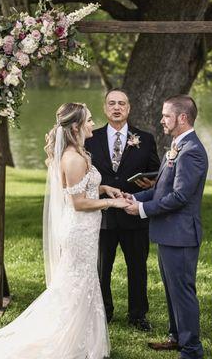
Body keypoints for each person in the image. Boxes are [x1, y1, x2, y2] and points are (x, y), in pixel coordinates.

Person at [0, 102, 128, 359]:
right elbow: (78, 203)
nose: (93, 124)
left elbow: (79, 190)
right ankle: (63, 339)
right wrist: (113, 203)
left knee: (83, 283)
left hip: (85, 231)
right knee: (76, 285)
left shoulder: (77, 153)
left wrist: (103, 189)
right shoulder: (73, 158)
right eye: (89, 120)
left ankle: (83, 339)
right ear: (76, 126)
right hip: (79, 232)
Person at [125, 95, 208, 359]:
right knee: (173, 290)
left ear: (182, 118)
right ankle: (176, 337)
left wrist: (141, 210)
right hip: (168, 234)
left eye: (166, 115)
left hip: (181, 235)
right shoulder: (176, 145)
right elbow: (162, 190)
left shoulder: (192, 151)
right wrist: (133, 198)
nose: (162, 120)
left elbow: (181, 197)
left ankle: (192, 349)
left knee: (183, 292)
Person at [85, 88, 160, 331]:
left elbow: (156, 174)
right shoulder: (90, 138)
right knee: (102, 267)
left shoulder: (145, 138)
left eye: (122, 104)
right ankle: (103, 312)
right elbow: (84, 177)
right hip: (103, 215)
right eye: (112, 103)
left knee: (137, 267)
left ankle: (138, 315)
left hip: (133, 212)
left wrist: (150, 183)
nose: (117, 107)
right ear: (105, 108)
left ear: (129, 108)